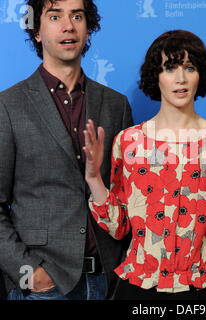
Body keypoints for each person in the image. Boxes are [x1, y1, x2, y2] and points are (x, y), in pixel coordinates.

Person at [83, 30, 206, 300]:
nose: (180, 78)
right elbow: (120, 225)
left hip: (203, 287)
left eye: (189, 67)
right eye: (170, 68)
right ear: (155, 76)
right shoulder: (129, 141)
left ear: (199, 75)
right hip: (140, 286)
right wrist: (93, 180)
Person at [0, 0, 133, 300]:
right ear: (37, 31)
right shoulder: (8, 106)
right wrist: (28, 272)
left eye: (77, 15)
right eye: (55, 16)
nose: (68, 25)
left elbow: (127, 194)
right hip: (44, 285)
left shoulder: (116, 105)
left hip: (108, 280)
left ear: (88, 29)